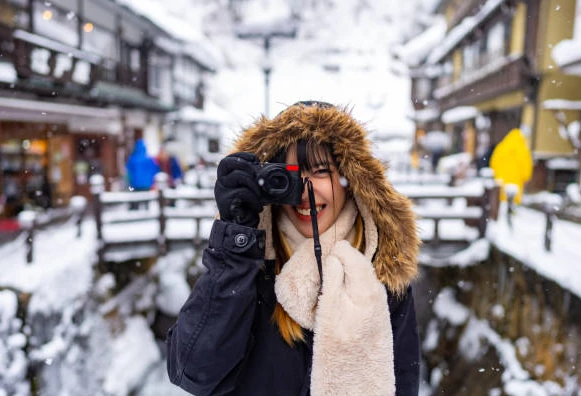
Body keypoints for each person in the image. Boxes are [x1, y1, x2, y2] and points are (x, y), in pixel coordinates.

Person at [166, 101, 421, 396]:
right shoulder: (253, 267)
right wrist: (235, 242)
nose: (304, 191)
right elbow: (193, 372)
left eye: (321, 171)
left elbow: (403, 385)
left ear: (349, 181)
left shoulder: (381, 272)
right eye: (288, 175)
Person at [126, 139, 159, 209]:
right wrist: (151, 181)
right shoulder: (149, 159)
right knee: (146, 200)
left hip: (135, 184)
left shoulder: (132, 159)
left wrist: (129, 181)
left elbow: (128, 172)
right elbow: (155, 170)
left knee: (136, 200)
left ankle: (135, 214)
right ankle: (146, 213)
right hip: (147, 184)